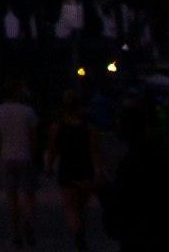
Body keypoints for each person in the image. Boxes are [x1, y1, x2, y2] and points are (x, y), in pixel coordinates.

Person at [109, 100, 169, 252]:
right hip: (166, 235)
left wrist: (104, 193)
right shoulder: (162, 156)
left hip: (139, 238)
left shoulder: (130, 164)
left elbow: (122, 208)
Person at [0, 80, 45, 248]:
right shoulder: (28, 112)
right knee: (30, 196)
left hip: (6, 157)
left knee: (12, 198)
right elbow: (34, 138)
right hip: (25, 157)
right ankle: (29, 222)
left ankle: (16, 234)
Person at [55, 92, 102, 248]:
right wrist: (99, 169)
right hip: (85, 167)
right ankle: (81, 233)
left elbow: (53, 148)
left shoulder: (57, 126)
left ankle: (76, 232)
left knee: (71, 207)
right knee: (82, 207)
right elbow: (95, 150)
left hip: (67, 167)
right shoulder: (88, 127)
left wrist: (49, 165)